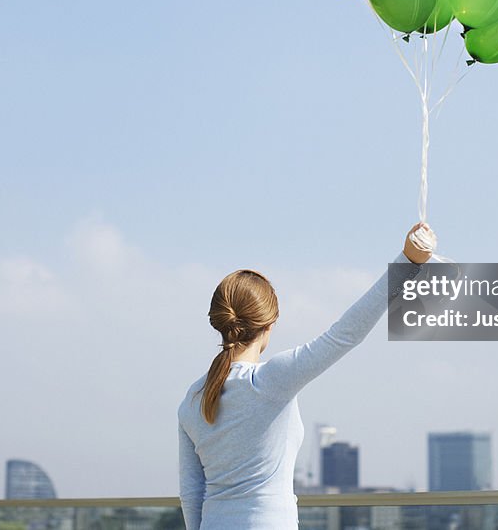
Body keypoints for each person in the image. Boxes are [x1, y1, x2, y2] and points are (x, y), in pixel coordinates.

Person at [177, 223, 436, 529]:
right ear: (269, 324)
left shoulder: (193, 398)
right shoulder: (271, 381)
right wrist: (408, 262)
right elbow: (344, 335)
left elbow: (192, 494)